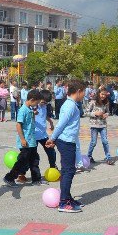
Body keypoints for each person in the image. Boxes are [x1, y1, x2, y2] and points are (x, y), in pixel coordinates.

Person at [46, 80, 86, 213]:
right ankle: (63, 202)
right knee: (68, 171)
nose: (84, 95)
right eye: (84, 92)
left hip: (68, 140)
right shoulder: (70, 106)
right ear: (79, 91)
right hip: (66, 141)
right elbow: (61, 124)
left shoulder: (71, 104)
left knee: (68, 170)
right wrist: (52, 138)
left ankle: (67, 197)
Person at [3, 89, 45, 187]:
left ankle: (36, 179)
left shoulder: (30, 109)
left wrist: (33, 114)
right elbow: (18, 125)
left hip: (32, 140)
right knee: (22, 161)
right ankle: (9, 178)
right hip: (25, 141)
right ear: (32, 99)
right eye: (37, 102)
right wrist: (22, 139)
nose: (37, 104)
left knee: (34, 160)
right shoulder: (23, 110)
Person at [85, 88, 114, 165]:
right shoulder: (93, 102)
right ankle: (89, 156)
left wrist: (106, 115)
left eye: (104, 94)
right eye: (102, 94)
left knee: (105, 141)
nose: (103, 96)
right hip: (94, 125)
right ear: (98, 94)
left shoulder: (106, 102)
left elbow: (108, 111)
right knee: (93, 142)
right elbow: (86, 112)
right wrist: (95, 113)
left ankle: (108, 157)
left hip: (103, 125)